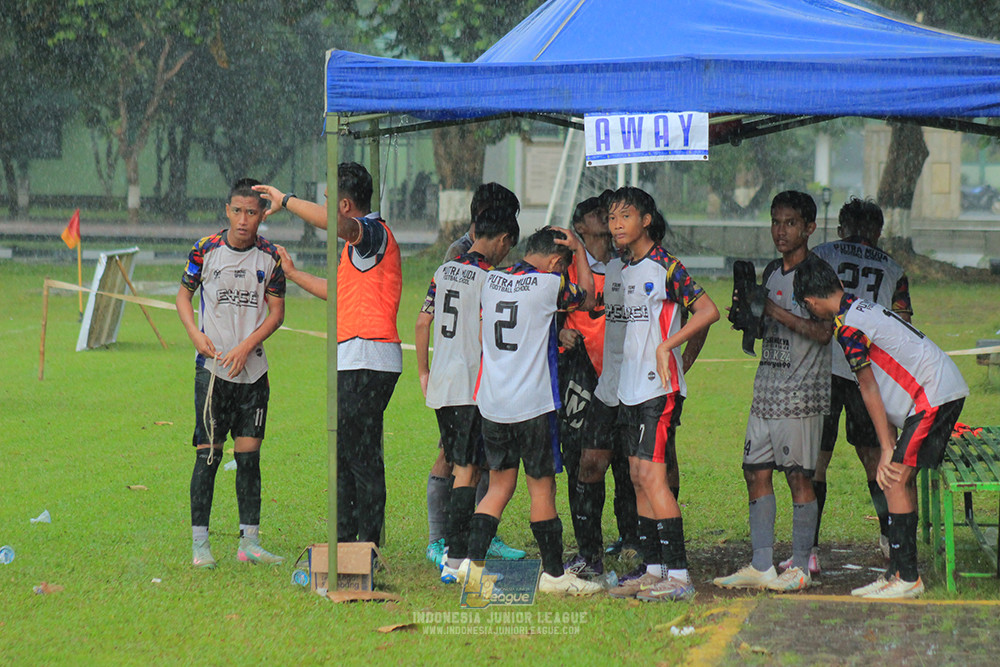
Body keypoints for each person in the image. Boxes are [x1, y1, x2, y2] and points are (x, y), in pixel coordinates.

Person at [794, 259, 968, 598]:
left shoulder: (847, 328)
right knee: (895, 480)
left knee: (895, 476)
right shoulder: (859, 309)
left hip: (932, 395)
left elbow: (868, 387)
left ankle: (907, 578)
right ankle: (896, 572)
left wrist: (887, 447)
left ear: (811, 303)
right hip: (932, 392)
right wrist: (888, 439)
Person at [253, 163, 401, 546]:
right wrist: (294, 273)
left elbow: (337, 226)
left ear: (346, 204)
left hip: (367, 357)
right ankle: (346, 543)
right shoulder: (358, 248)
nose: (324, 208)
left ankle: (364, 547)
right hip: (356, 357)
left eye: (329, 201)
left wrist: (286, 200)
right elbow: (338, 293)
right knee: (347, 454)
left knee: (361, 457)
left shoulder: (370, 233)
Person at [459, 227, 603, 596]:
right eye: (562, 267)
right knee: (542, 489)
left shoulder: (493, 279)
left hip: (493, 403)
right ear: (556, 263)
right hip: (532, 406)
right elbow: (587, 299)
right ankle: (555, 576)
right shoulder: (547, 285)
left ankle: (470, 567)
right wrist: (582, 253)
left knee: (498, 486)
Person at [604, 187, 719, 602]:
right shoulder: (623, 267)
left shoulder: (666, 266)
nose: (617, 225)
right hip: (628, 389)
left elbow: (708, 311)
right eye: (612, 217)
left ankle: (680, 576)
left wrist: (674, 349)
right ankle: (653, 570)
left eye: (625, 216)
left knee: (653, 477)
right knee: (637, 477)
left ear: (646, 220)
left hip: (658, 390)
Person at [714, 191, 832, 593]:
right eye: (776, 222)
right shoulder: (771, 269)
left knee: (799, 477)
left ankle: (799, 566)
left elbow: (823, 331)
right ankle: (762, 564)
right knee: (754, 472)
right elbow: (769, 326)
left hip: (801, 395)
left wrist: (773, 310)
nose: (781, 231)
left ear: (809, 228)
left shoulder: (817, 273)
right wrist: (747, 319)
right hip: (767, 390)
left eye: (790, 223)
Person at [176, 178, 286, 568]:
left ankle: (249, 543)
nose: (244, 220)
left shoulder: (271, 257)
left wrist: (245, 347)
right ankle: (200, 545)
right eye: (237, 211)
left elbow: (276, 313)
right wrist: (194, 333)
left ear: (262, 215)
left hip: (253, 373)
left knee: (249, 458)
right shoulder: (205, 250)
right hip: (212, 373)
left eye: (252, 213)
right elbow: (183, 295)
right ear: (227, 211)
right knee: (207, 456)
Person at [803, 197, 912, 572]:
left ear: (841, 228)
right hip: (870, 373)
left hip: (825, 367)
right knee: (875, 456)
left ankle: (810, 547)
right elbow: (904, 320)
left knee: (818, 459)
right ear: (878, 231)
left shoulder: (821, 254)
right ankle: (888, 537)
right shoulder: (894, 268)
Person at [415, 206, 520, 583]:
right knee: (468, 471)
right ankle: (456, 560)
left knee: (459, 464)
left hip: (442, 384)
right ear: (504, 240)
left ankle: (452, 555)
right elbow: (483, 330)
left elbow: (422, 321)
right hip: (472, 387)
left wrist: (424, 371)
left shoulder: (444, 271)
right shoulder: (491, 278)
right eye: (508, 248)